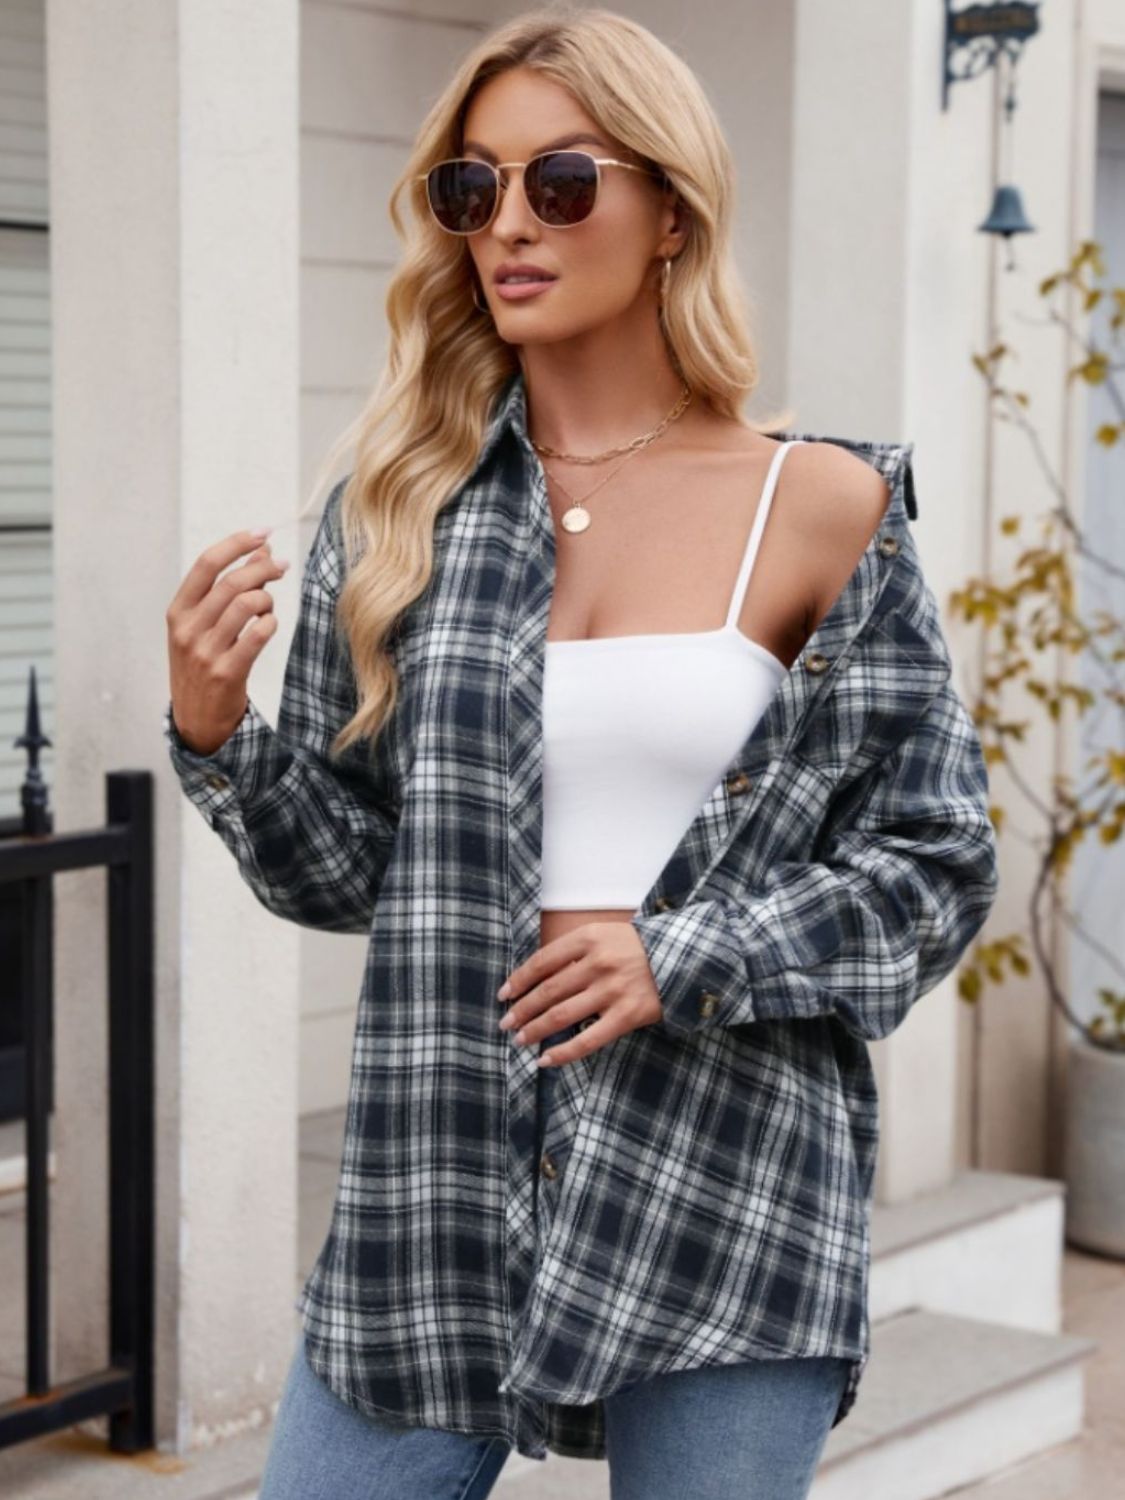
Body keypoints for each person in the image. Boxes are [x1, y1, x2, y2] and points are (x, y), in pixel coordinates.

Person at [163, 8, 999, 1498]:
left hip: (727, 1183)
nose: (507, 226)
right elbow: (354, 875)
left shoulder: (820, 507)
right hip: (434, 1188)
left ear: (671, 209)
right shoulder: (397, 514)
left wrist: (683, 954)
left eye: (559, 182)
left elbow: (934, 863)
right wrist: (222, 734)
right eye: (470, 188)